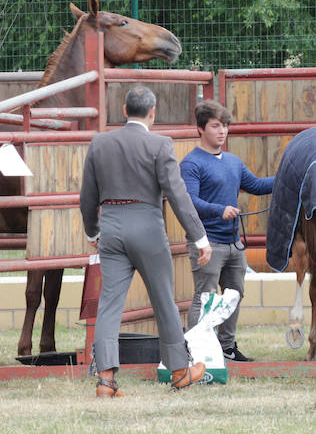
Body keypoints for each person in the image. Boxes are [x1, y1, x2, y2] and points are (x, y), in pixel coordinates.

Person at [80, 86, 213, 397]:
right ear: (152, 113)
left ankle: (106, 381)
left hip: (111, 225)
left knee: (109, 304)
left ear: (125, 110)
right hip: (148, 226)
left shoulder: (100, 143)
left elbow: (87, 197)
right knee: (163, 300)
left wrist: (93, 232)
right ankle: (180, 371)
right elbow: (178, 195)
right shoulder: (160, 144)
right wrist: (200, 237)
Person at [180, 100, 274, 362]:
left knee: (234, 296)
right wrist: (219, 210)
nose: (222, 131)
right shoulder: (191, 163)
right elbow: (189, 201)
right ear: (201, 129)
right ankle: (196, 352)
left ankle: (227, 348)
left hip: (234, 244)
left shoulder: (233, 161)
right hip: (207, 243)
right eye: (215, 126)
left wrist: (290, 177)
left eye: (225, 126)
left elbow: (256, 185)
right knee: (205, 298)